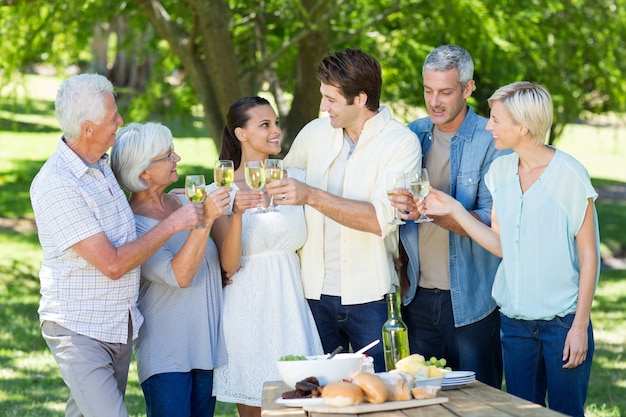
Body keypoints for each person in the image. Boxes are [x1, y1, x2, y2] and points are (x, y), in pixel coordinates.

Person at [29, 74, 201, 417]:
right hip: (79, 330)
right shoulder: (57, 185)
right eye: (112, 118)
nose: (120, 122)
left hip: (116, 325)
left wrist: (175, 198)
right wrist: (172, 225)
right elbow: (112, 263)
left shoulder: (101, 166)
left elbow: (136, 206)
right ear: (88, 128)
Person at [424, 81, 599, 417]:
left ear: (523, 127)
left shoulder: (570, 175)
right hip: (515, 323)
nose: (488, 126)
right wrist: (456, 211)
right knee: (521, 413)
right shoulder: (500, 171)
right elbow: (501, 245)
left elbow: (589, 255)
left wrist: (579, 326)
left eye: (496, 120)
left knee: (565, 412)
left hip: (562, 322)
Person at [265, 49, 421, 372]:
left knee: (380, 393)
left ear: (360, 99)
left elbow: (380, 220)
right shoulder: (314, 134)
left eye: (331, 99)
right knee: (320, 396)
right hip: (312, 294)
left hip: (372, 295)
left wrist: (312, 196)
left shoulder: (401, 143)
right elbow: (275, 189)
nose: (323, 106)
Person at [390, 45, 506, 388]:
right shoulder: (413, 134)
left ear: (468, 89)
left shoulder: (492, 140)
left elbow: (491, 218)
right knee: (422, 400)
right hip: (417, 297)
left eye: (445, 92)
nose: (434, 101)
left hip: (473, 300)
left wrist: (442, 213)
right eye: (428, 90)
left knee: (479, 400)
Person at [211, 97, 323, 417]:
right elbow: (229, 265)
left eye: (275, 122)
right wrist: (236, 214)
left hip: (292, 308)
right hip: (246, 311)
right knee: (254, 409)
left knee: (303, 406)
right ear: (241, 134)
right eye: (265, 125)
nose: (276, 130)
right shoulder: (221, 188)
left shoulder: (296, 179)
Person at [110, 122, 230, 417]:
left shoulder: (182, 199)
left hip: (205, 351)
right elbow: (180, 275)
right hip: (167, 358)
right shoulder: (133, 227)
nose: (177, 159)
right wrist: (206, 221)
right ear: (143, 172)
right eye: (168, 155)